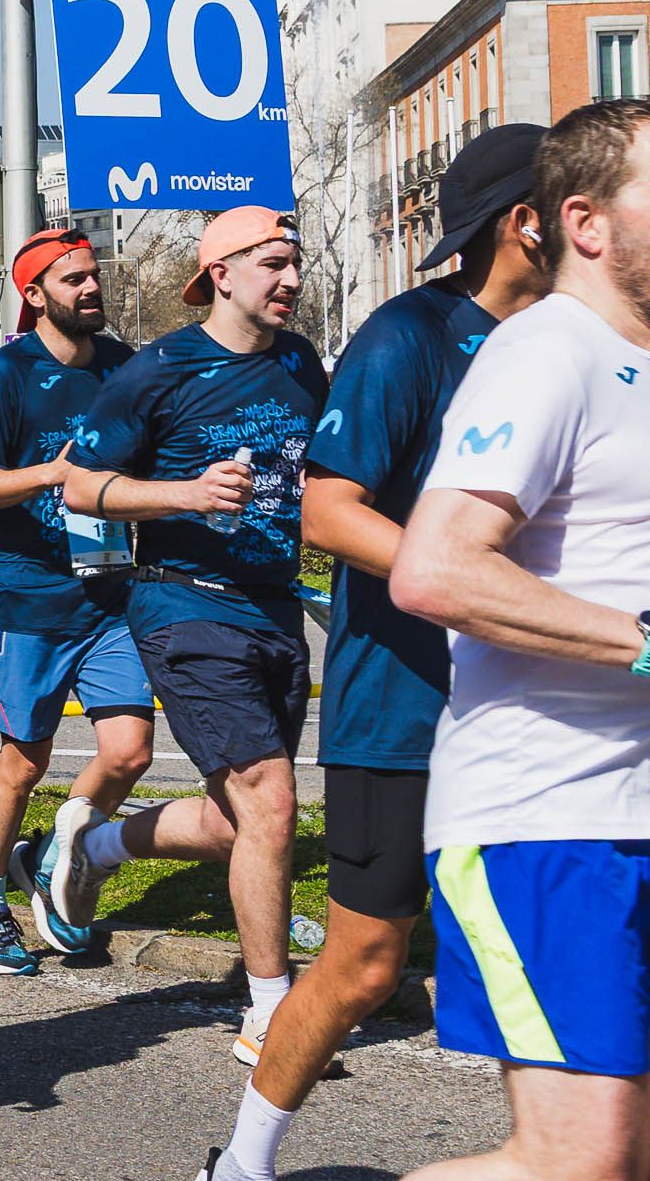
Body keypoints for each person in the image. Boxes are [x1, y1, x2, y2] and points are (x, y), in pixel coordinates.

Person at [194, 124, 549, 1181]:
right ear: (525, 222)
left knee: (545, 952)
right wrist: (479, 586)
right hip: (398, 705)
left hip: (532, 711)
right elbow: (327, 509)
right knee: (363, 960)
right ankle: (245, 1160)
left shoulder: (578, 342)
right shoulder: (411, 334)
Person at [384, 98, 650, 1181]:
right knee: (576, 1161)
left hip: (628, 813)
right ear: (586, 221)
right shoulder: (548, 352)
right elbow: (435, 564)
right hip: (546, 815)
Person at [51, 207, 330, 1065]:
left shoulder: (301, 363)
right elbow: (78, 485)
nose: (290, 280)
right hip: (185, 603)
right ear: (222, 272)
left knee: (240, 823)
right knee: (271, 799)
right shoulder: (160, 370)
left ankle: (94, 843)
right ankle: (271, 1011)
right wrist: (184, 495)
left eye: (293, 264)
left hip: (274, 605)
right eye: (274, 264)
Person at [0, 227, 150, 976]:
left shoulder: (124, 367)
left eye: (93, 276)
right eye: (73, 281)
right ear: (34, 295)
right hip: (23, 603)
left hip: (108, 596)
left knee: (130, 750)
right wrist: (48, 475)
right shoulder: (7, 373)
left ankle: (60, 847)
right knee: (21, 765)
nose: (91, 289)